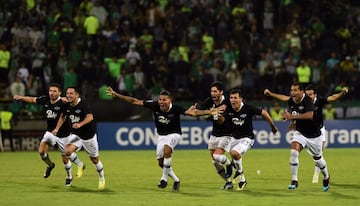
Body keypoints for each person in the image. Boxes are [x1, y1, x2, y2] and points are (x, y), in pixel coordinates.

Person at [107, 86, 216, 191]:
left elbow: (192, 113)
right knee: (161, 163)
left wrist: (208, 112)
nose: (161, 102)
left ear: (170, 100)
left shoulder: (176, 108)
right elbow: (134, 101)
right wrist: (117, 95)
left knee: (167, 150)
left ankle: (163, 179)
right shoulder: (154, 105)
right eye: (160, 99)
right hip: (161, 136)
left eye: (164, 99)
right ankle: (176, 180)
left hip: (174, 134)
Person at [264, 84, 348, 183]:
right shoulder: (301, 101)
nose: (309, 97)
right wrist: (294, 122)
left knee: (318, 156)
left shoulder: (319, 101)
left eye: (311, 95)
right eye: (307, 95)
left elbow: (333, 98)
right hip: (302, 131)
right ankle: (295, 180)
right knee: (294, 152)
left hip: (318, 131)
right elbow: (286, 100)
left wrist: (342, 93)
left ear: (315, 95)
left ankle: (321, 174)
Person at [13, 83, 85, 184]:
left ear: (59, 93)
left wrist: (67, 99)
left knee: (65, 158)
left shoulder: (64, 102)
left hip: (63, 134)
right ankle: (50, 165)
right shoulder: (45, 100)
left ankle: (69, 176)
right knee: (41, 151)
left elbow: (74, 104)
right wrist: (21, 97)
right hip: (50, 132)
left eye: (55, 91)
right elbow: (32, 99)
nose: (52, 93)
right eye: (50, 91)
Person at [215, 89, 278, 190]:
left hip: (247, 138)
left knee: (235, 154)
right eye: (231, 98)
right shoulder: (229, 109)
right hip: (233, 138)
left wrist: (273, 127)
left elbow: (264, 113)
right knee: (228, 158)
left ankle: (239, 172)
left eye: (235, 98)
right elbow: (221, 121)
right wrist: (216, 116)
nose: (232, 100)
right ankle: (243, 179)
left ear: (241, 99)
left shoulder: (248, 108)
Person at [53, 86, 106, 190]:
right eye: (67, 93)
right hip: (76, 135)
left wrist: (80, 124)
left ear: (77, 95)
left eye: (71, 93)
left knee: (94, 159)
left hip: (88, 136)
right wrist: (56, 129)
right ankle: (80, 164)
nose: (68, 95)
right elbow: (62, 116)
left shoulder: (83, 104)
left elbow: (90, 117)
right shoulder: (67, 105)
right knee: (66, 151)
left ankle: (101, 178)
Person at [196, 82, 234, 190]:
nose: (213, 93)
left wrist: (216, 113)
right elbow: (199, 110)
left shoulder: (227, 102)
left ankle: (229, 164)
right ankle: (228, 182)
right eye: (211, 91)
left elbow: (222, 121)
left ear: (221, 92)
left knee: (218, 156)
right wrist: (210, 111)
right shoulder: (210, 101)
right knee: (215, 161)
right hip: (215, 134)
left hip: (226, 134)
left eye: (215, 91)